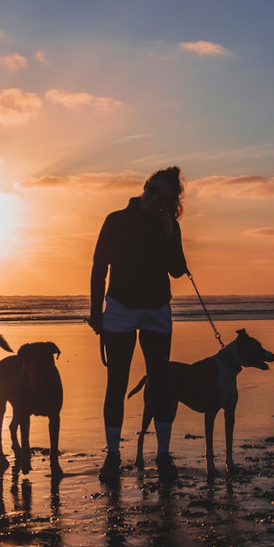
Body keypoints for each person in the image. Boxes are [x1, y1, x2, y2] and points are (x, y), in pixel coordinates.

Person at [88, 166, 189, 481]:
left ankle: (163, 454)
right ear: (145, 187)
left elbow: (178, 270)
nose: (154, 196)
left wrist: (171, 235)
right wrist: (96, 312)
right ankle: (113, 455)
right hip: (119, 307)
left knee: (160, 383)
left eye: (163, 195)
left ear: (169, 202)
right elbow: (98, 267)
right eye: (153, 189)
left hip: (156, 309)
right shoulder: (116, 220)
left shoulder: (168, 226)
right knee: (116, 382)